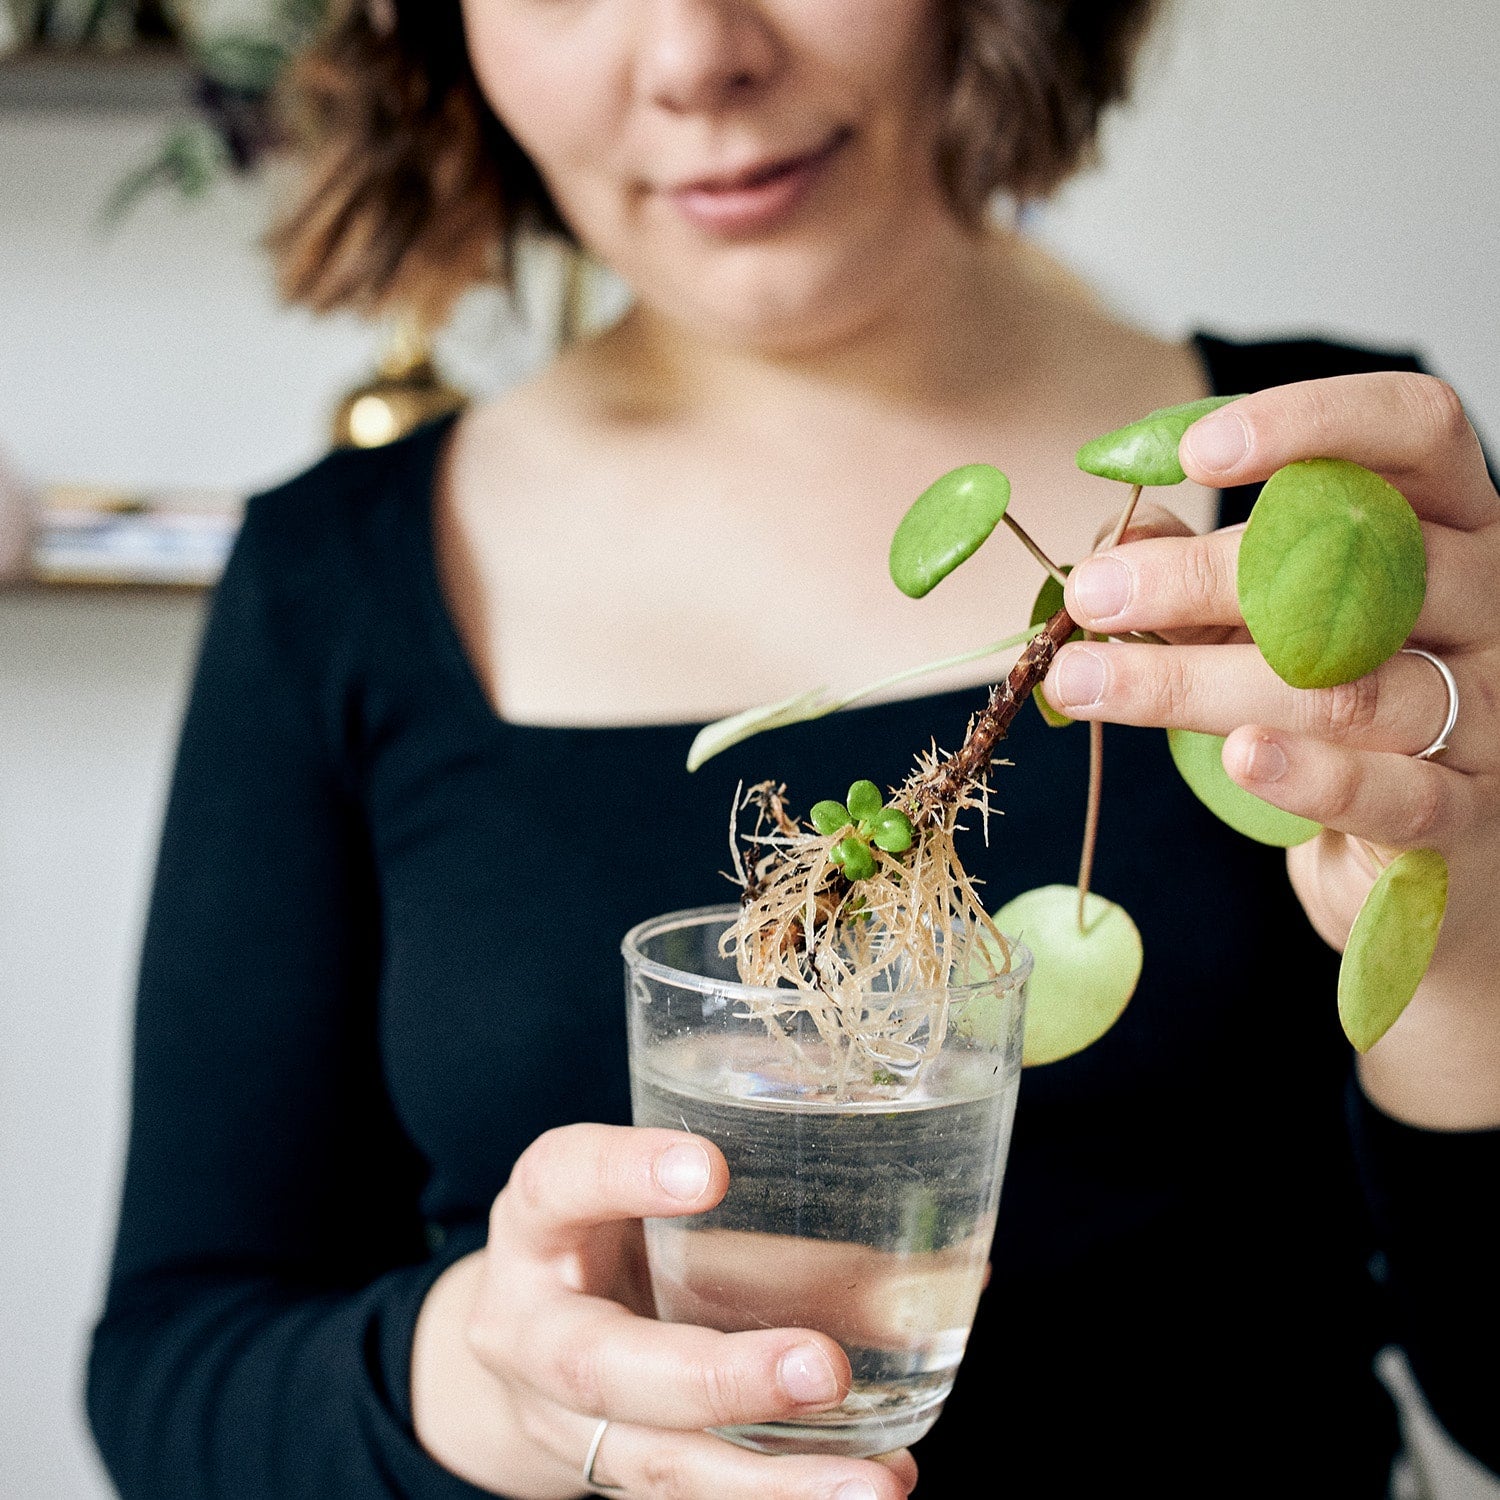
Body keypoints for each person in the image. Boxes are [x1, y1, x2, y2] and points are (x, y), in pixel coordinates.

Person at [87, 2, 1500, 1497]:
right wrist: (497, 1387)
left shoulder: (1345, 526)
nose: (698, 54)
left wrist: (1476, 957)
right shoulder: (336, 580)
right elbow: (179, 1371)